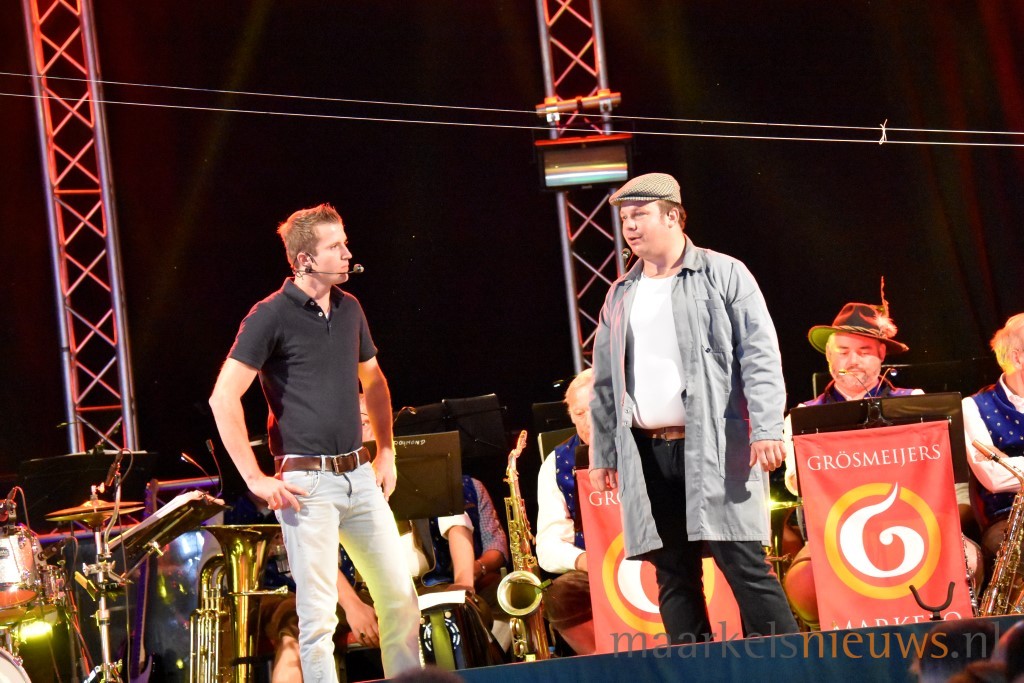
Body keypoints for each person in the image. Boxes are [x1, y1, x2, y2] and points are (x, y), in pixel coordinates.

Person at [208, 203, 420, 681]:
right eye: (335, 246)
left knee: (400, 598)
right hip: (306, 484)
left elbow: (375, 381)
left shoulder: (350, 308)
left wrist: (386, 451)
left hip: (359, 475)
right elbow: (223, 397)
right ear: (304, 260)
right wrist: (255, 478)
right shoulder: (269, 315)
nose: (347, 253)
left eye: (345, 243)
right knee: (319, 617)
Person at [587, 172, 798, 643]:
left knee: (742, 562)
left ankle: (790, 667)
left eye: (640, 215)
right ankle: (696, 670)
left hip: (716, 447)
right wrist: (603, 453)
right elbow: (604, 382)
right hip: (648, 452)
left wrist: (766, 427)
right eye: (625, 219)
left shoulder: (724, 273)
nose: (630, 227)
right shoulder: (621, 293)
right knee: (672, 573)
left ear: (673, 216)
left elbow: (760, 355)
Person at [783, 299, 918, 497]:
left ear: (881, 353)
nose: (853, 361)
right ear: (828, 354)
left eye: (864, 352)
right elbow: (798, 483)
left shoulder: (913, 403)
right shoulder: (802, 416)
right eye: (843, 352)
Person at [535, 369, 596, 655]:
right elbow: (548, 547)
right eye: (579, 413)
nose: (589, 422)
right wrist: (584, 561)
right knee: (560, 594)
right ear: (570, 416)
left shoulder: (649, 443)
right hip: (595, 568)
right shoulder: (556, 464)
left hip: (659, 558)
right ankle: (603, 663)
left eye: (596, 408)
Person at [963, 313, 1024, 558]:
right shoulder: (974, 406)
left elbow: (1005, 471)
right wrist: (1001, 468)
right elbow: (994, 478)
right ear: (1017, 358)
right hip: (1008, 518)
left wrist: (1009, 463)